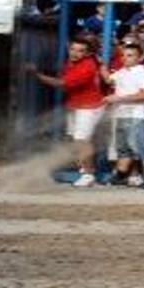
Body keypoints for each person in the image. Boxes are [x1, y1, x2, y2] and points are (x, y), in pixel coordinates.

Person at [29, 37, 106, 187]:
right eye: (73, 49)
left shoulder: (87, 66)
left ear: (87, 53)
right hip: (77, 107)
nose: (75, 53)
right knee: (75, 140)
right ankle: (84, 170)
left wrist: (37, 75)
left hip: (90, 107)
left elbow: (61, 83)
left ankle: (89, 174)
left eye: (80, 51)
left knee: (81, 140)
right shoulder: (71, 63)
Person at [101, 44, 144, 188]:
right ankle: (120, 175)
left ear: (140, 57)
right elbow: (109, 80)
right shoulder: (122, 71)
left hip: (137, 115)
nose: (125, 58)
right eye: (124, 55)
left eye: (130, 55)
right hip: (121, 114)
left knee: (140, 148)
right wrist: (101, 66)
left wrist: (119, 98)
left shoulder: (143, 73)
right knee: (123, 148)